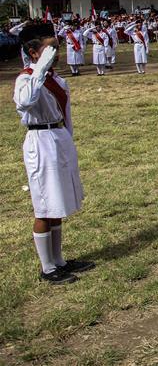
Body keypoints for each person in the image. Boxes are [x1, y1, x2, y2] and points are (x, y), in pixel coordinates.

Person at [14, 23, 94, 284]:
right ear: (34, 52)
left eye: (57, 48)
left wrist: (68, 141)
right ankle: (47, 268)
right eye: (50, 49)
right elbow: (25, 101)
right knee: (44, 206)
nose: (56, 54)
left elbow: (66, 115)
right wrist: (38, 70)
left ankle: (59, 260)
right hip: (40, 140)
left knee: (58, 202)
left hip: (58, 138)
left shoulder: (57, 80)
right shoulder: (26, 79)